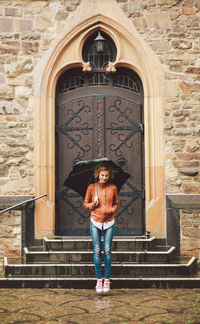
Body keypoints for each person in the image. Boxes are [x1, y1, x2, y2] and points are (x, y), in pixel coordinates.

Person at [83, 164, 119, 293]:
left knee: (108, 250)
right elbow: (85, 204)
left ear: (109, 176)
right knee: (97, 250)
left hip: (109, 222)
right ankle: (99, 280)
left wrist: (111, 209)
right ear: (98, 175)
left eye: (107, 176)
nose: (104, 177)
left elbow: (116, 203)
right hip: (95, 221)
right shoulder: (92, 188)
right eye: (102, 175)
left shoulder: (113, 188)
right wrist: (94, 204)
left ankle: (107, 280)